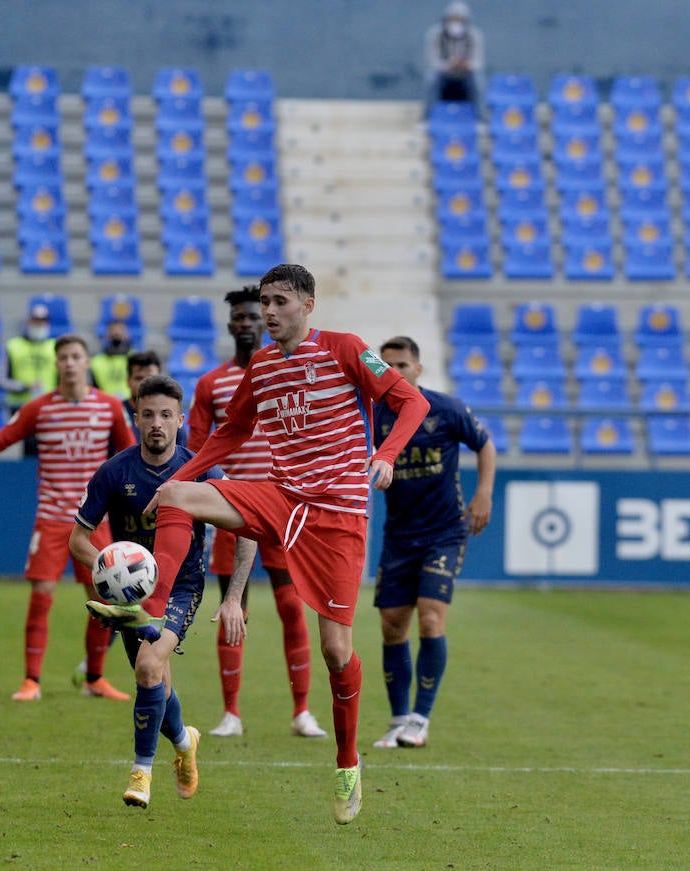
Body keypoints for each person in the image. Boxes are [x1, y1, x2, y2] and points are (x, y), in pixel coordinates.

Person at [88, 264, 429, 825]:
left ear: (308, 305)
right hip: (280, 496)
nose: (269, 311)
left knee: (336, 652)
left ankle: (347, 760)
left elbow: (412, 402)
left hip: (337, 516)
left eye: (280, 301)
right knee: (176, 494)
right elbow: (231, 431)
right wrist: (182, 478)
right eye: (265, 301)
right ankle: (147, 607)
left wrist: (386, 454)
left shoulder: (346, 349)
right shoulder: (264, 366)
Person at [70, 374, 253, 808]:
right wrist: (110, 569)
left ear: (180, 420)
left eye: (166, 415)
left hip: (182, 588)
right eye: (148, 414)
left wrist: (233, 598)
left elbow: (247, 529)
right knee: (154, 677)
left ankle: (141, 773)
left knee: (150, 665)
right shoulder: (114, 472)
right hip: (132, 597)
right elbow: (78, 539)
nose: (157, 423)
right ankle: (185, 742)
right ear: (135, 418)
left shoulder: (202, 470)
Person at [0, 334, 136, 702]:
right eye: (63, 358)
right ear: (56, 364)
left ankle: (94, 679)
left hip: (94, 521)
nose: (69, 363)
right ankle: (32, 681)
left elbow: (129, 455)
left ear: (87, 362)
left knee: (103, 601)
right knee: (42, 595)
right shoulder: (40, 408)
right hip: (52, 517)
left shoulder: (108, 406)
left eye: (76, 356)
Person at [188, 285, 325, 741]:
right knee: (233, 609)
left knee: (291, 606)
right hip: (233, 511)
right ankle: (231, 713)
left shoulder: (288, 371)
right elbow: (200, 448)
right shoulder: (211, 384)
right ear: (231, 324)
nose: (247, 322)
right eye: (240, 317)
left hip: (282, 506)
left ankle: (302, 711)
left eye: (253, 315)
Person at [371, 336, 496, 750]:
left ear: (418, 369)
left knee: (430, 618)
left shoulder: (445, 409)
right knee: (392, 624)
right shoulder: (374, 414)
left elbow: (485, 444)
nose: (394, 372)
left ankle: (420, 719)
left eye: (402, 365)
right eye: (387, 366)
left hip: (444, 532)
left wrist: (484, 493)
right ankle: (398, 720)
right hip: (399, 535)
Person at [0, 302, 58, 457]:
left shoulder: (55, 347)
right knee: (27, 453)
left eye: (42, 321)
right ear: (28, 322)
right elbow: (2, 380)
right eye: (35, 321)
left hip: (49, 409)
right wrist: (24, 386)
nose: (39, 325)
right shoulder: (13, 346)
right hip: (21, 408)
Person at [425, 1, 484, 111]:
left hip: (465, 75)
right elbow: (433, 62)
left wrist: (466, 64)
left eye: (460, 20)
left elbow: (478, 63)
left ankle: (480, 116)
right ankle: (428, 116)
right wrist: (449, 64)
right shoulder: (436, 35)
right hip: (444, 74)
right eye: (452, 19)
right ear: (446, 20)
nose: (456, 23)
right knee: (431, 79)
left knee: (478, 80)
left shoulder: (474, 36)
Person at [122, 349, 189, 448]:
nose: (144, 383)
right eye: (139, 378)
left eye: (151, 378)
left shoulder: (173, 422)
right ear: (128, 381)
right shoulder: (115, 412)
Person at [90, 319, 133, 398]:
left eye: (120, 334)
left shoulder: (136, 358)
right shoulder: (96, 361)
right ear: (106, 336)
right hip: (104, 402)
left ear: (127, 335)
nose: (117, 337)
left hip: (131, 402)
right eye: (114, 334)